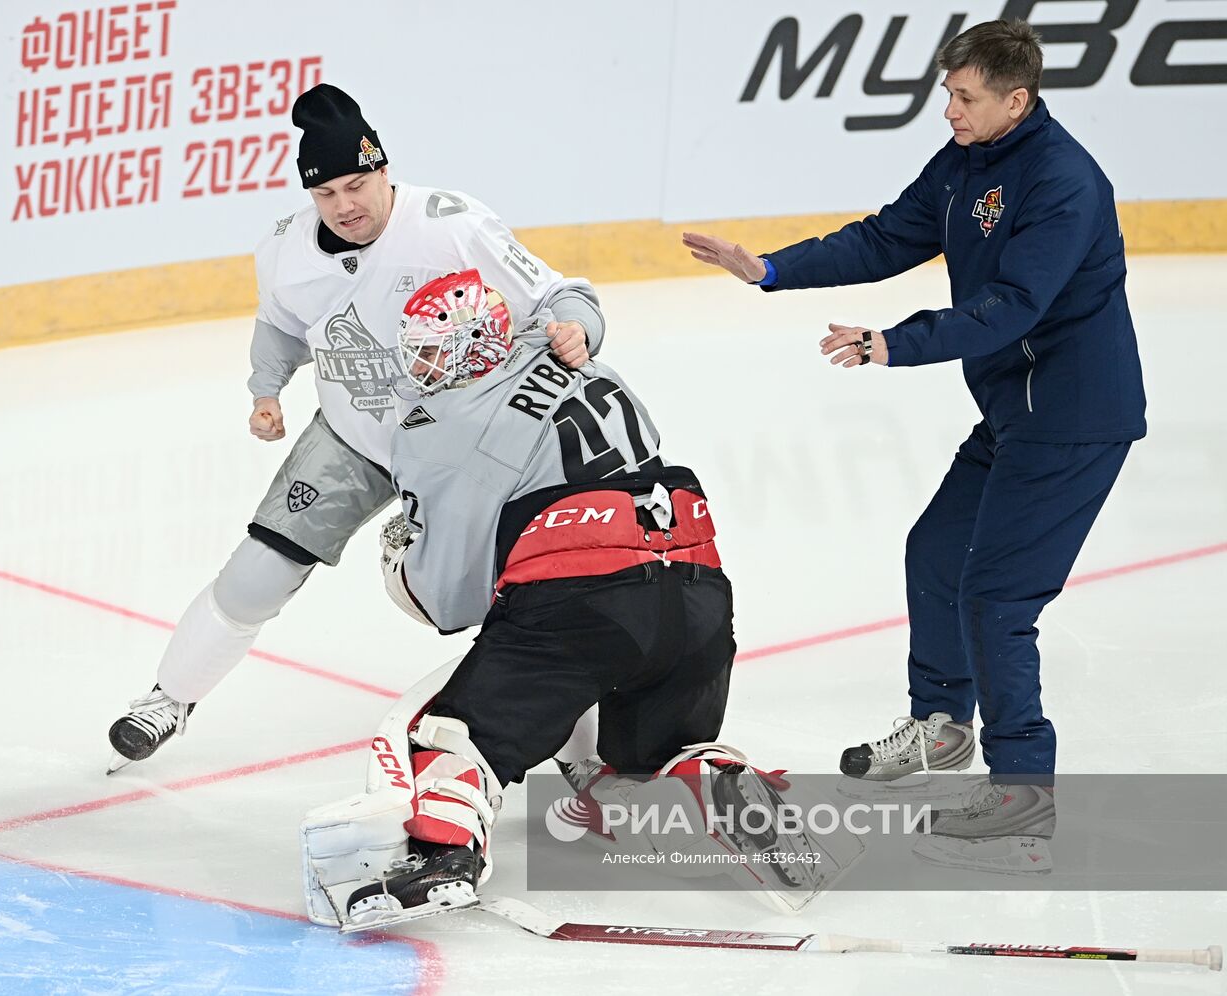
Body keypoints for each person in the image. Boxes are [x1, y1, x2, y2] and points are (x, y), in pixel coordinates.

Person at [682, 19, 1145, 873]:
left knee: (997, 598)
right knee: (937, 553)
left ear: (1018, 98)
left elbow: (1013, 304)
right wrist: (771, 269)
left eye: (964, 98)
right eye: (947, 92)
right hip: (1015, 405)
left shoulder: (1064, 181)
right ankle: (940, 728)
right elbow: (889, 234)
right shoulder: (970, 159)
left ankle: (1022, 794)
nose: (948, 110)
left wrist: (894, 342)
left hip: (1074, 415)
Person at [298, 270, 861, 931]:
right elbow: (578, 303)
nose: (418, 365)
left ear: (472, 344)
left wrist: (406, 559)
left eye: (429, 348)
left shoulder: (438, 423)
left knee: (454, 736)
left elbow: (450, 601)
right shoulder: (593, 365)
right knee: (642, 761)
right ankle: (705, 777)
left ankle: (442, 859)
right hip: (699, 595)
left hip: (584, 602)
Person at [106, 84, 605, 771]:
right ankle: (168, 699)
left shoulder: (451, 224)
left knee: (530, 595)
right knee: (258, 571)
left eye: (357, 184)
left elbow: (556, 294)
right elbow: (279, 327)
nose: (346, 206)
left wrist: (582, 328)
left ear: (383, 171)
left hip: (470, 441)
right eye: (327, 194)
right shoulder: (283, 249)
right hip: (354, 438)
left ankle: (578, 752)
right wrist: (266, 389)